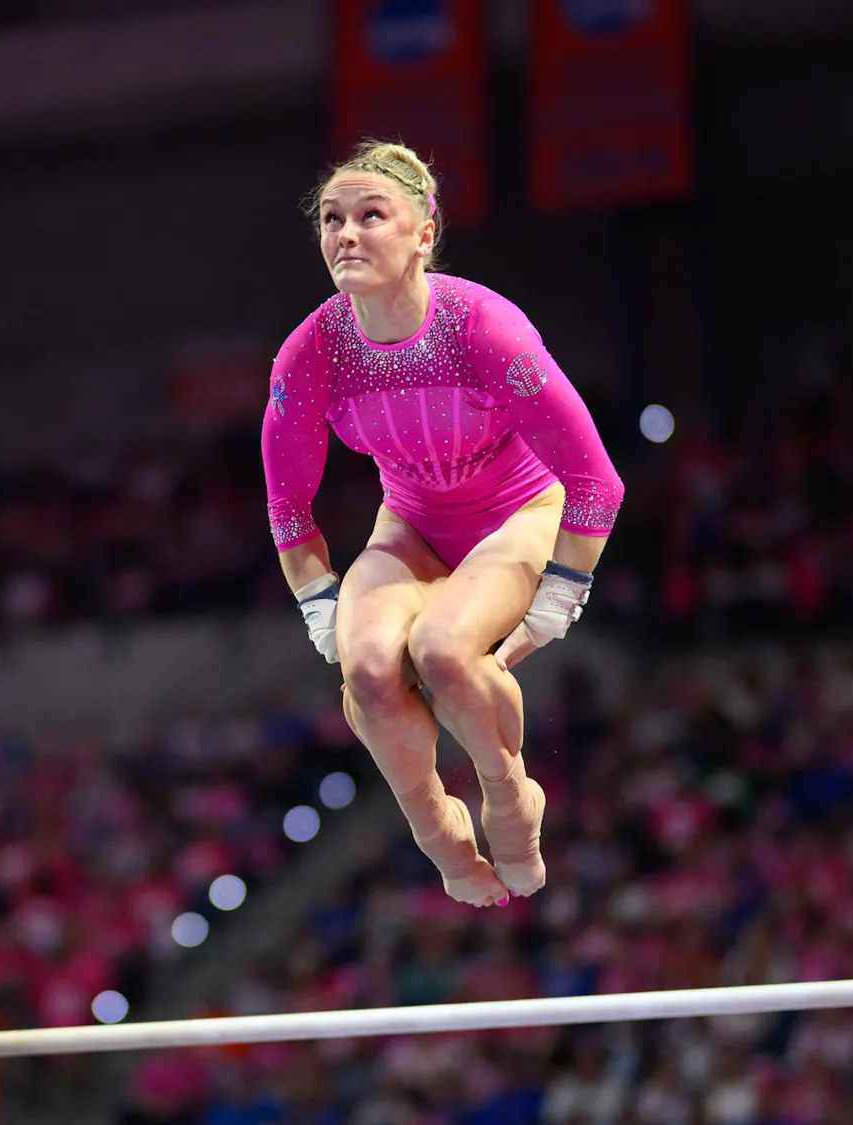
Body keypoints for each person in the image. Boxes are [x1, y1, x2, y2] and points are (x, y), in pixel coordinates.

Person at [261, 140, 623, 907]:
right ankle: (440, 837)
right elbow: (288, 505)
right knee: (365, 668)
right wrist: (318, 598)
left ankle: (510, 800)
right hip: (413, 523)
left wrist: (561, 591)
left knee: (443, 650)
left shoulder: (483, 328)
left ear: (423, 232)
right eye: (332, 219)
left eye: (370, 215)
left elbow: (596, 481)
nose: (346, 233)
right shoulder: (312, 353)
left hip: (521, 511)